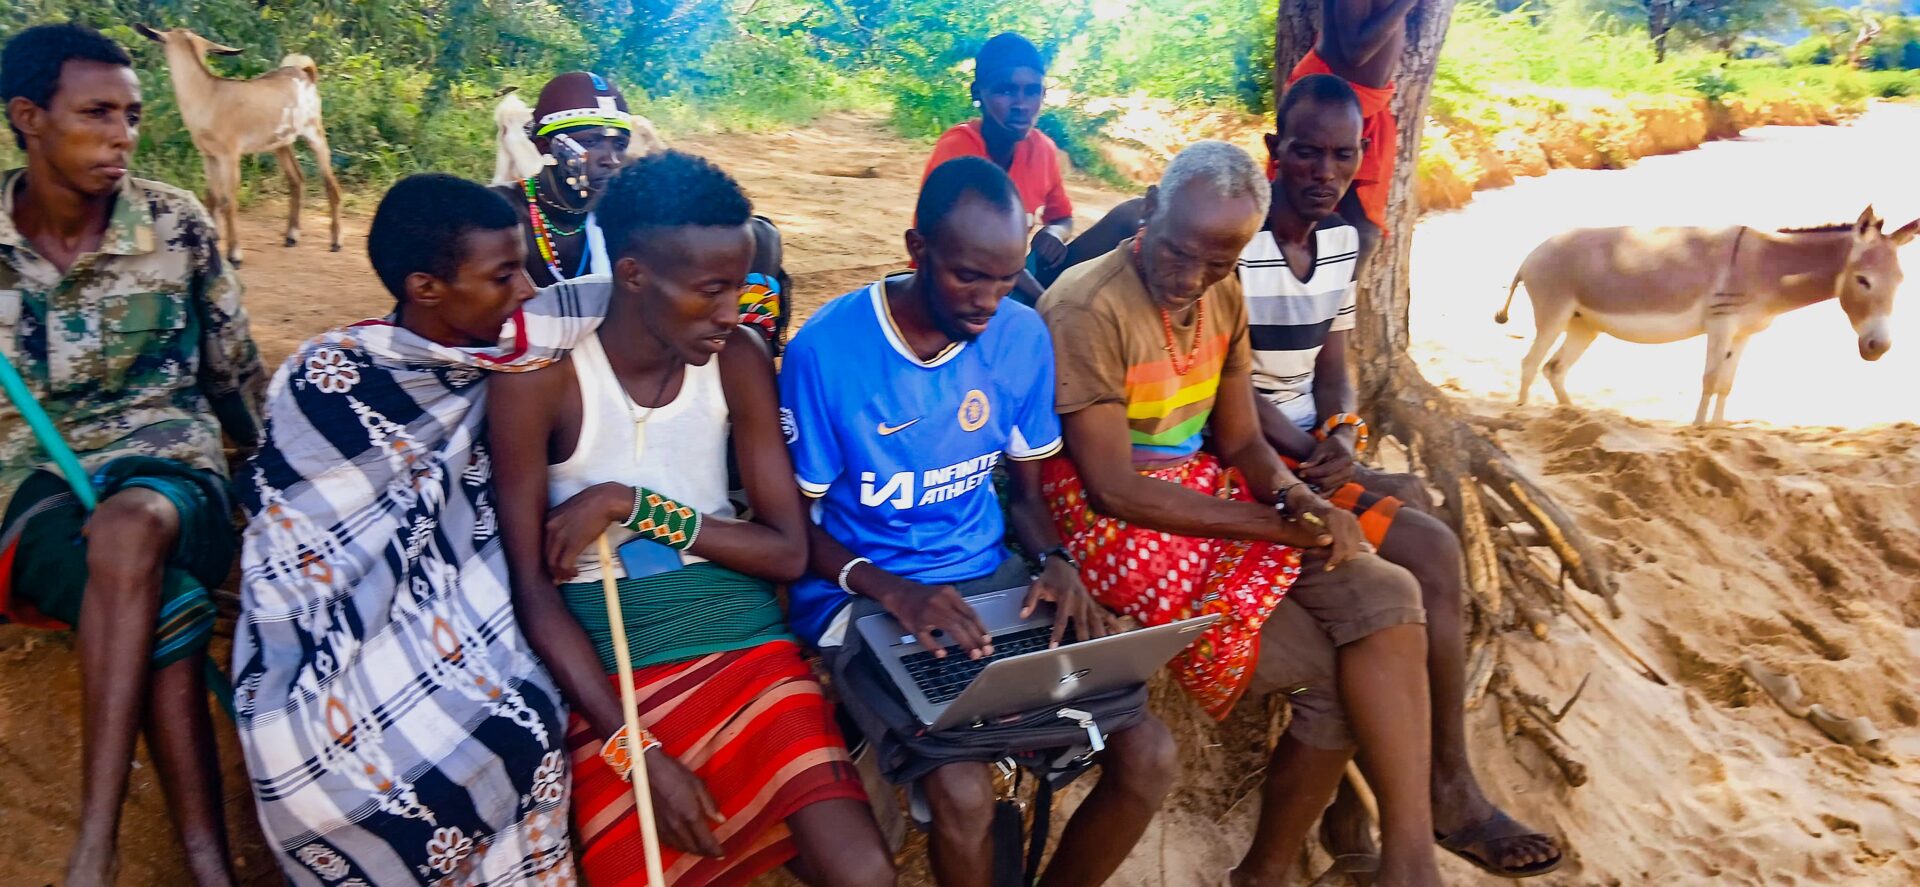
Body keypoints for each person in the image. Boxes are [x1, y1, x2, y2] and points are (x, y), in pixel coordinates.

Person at [1036, 140, 1442, 887]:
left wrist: (1302, 499)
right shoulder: (1086, 306)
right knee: (1334, 678)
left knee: (1391, 591)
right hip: (1120, 524)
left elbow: (1242, 438)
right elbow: (1112, 489)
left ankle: (1406, 864)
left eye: (1218, 262)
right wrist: (1275, 525)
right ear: (1150, 204)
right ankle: (1266, 873)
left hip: (1205, 494)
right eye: (1178, 251)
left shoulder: (1222, 295)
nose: (1189, 277)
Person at [489, 150, 893, 887]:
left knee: (864, 871)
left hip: (742, 641)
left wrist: (633, 503)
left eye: (741, 287)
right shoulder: (543, 381)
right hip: (605, 665)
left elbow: (785, 552)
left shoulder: (736, 359)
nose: (733, 312)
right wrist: (632, 750)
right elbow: (532, 589)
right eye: (710, 290)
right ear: (636, 273)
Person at [782, 154, 1176, 887]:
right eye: (969, 276)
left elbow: (1024, 498)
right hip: (863, 597)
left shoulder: (1020, 336)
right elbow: (792, 531)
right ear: (916, 248)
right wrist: (897, 592)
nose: (988, 302)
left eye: (1005, 278)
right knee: (962, 790)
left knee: (1150, 753)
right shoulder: (825, 354)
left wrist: (1057, 562)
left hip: (988, 582)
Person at [1243, 74, 1565, 880]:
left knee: (1425, 523)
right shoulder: (1236, 242)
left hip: (1313, 448)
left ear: (1361, 159)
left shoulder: (1344, 241)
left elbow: (1336, 366)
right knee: (1422, 542)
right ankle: (1441, 790)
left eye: (1342, 155)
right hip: (1251, 454)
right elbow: (1221, 386)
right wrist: (1304, 446)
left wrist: (1345, 430)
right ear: (1273, 153)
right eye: (1306, 152)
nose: (1323, 170)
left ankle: (1417, 788)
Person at [234, 175, 587, 884]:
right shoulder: (327, 376)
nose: (526, 289)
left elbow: (626, 297)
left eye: (525, 266)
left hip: (464, 623)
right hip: (332, 645)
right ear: (426, 287)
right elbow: (292, 546)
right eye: (503, 274)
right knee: (303, 768)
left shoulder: (519, 364)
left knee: (524, 727)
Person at [0, 24, 264, 886]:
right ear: (29, 117)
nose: (124, 136)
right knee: (175, 607)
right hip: (28, 484)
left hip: (168, 477)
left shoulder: (176, 224)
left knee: (130, 526)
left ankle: (93, 846)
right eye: (98, 113)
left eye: (135, 115)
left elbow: (233, 372)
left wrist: (259, 472)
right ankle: (206, 861)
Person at [494, 72, 792, 351]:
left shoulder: (629, 208)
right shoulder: (500, 213)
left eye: (619, 144)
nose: (610, 159)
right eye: (591, 141)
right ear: (544, 145)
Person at [921, 33, 1142, 301]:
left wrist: (1054, 233)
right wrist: (1046, 304)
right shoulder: (959, 151)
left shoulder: (1043, 150)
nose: (1022, 105)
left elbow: (1062, 217)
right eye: (1006, 90)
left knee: (1133, 215)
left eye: (1032, 91)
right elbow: (972, 250)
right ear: (978, 93)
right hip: (963, 285)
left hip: (1015, 278)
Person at [1282, 0, 1422, 262]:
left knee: (1357, 232)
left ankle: (1332, 297)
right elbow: (1354, 50)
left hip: (1360, 110)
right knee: (1304, 218)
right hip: (1328, 107)